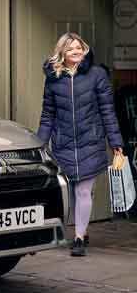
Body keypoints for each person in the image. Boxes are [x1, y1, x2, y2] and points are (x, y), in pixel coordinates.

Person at [37, 32, 123, 257]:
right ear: (62, 53)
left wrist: (116, 143)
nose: (76, 52)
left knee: (84, 189)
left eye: (79, 48)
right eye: (71, 49)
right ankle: (82, 231)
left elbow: (107, 111)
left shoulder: (97, 75)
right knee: (74, 189)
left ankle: (78, 238)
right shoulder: (54, 78)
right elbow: (48, 114)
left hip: (90, 141)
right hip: (64, 143)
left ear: (84, 50)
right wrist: (40, 144)